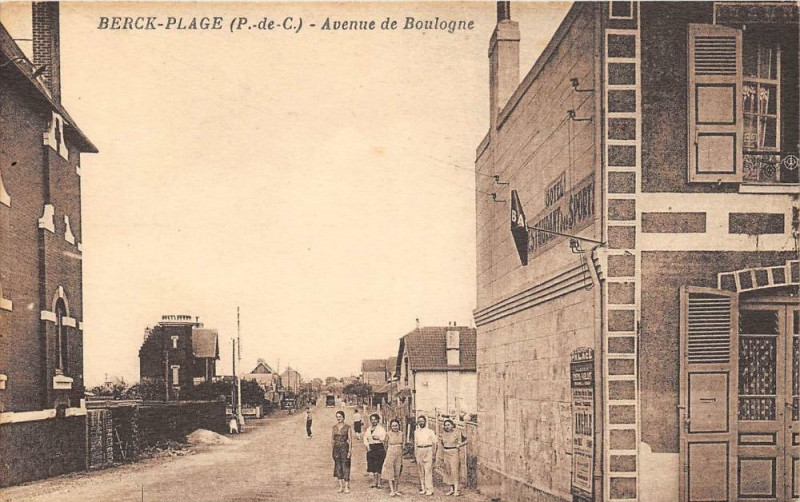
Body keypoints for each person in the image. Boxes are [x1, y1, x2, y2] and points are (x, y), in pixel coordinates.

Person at [439, 419, 468, 496]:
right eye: (445, 425)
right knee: (448, 471)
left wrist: (459, 445)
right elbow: (442, 444)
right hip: (446, 453)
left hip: (454, 453)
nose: (447, 427)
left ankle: (456, 490)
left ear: (452, 425)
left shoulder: (457, 432)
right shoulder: (444, 433)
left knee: (454, 471)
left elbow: (466, 440)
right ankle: (451, 489)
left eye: (448, 425)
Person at [414, 415, 437, 496]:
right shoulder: (416, 432)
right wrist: (415, 454)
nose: (421, 423)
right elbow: (416, 443)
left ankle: (429, 489)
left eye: (422, 421)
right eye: (419, 421)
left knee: (428, 471)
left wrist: (434, 454)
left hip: (428, 450)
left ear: (425, 422)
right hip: (419, 450)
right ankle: (423, 488)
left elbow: (435, 443)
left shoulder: (430, 431)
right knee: (421, 471)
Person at [382, 418, 404, 497]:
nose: (395, 427)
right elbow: (385, 444)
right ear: (391, 426)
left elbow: (403, 444)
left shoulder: (401, 433)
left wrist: (401, 454)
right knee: (390, 471)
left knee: (397, 471)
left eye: (396, 425)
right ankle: (391, 490)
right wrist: (388, 452)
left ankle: (396, 489)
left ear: (399, 426)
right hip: (390, 453)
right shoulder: (388, 434)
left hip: (399, 453)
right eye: (393, 426)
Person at [363, 413, 387, 489]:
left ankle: (379, 482)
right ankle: (374, 482)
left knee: (379, 465)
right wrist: (367, 446)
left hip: (379, 447)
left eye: (375, 420)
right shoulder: (368, 429)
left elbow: (384, 438)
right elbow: (365, 438)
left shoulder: (381, 429)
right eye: (372, 420)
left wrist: (378, 438)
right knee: (372, 465)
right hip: (371, 448)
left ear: (378, 420)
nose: (373, 421)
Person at [332, 410, 352, 493]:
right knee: (338, 466)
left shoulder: (348, 427)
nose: (338, 418)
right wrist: (333, 450)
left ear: (343, 417)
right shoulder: (334, 427)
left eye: (340, 417)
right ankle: (341, 486)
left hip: (345, 448)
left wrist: (350, 451)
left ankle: (346, 486)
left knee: (346, 466)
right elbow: (332, 440)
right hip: (336, 449)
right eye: (337, 417)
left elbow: (350, 440)